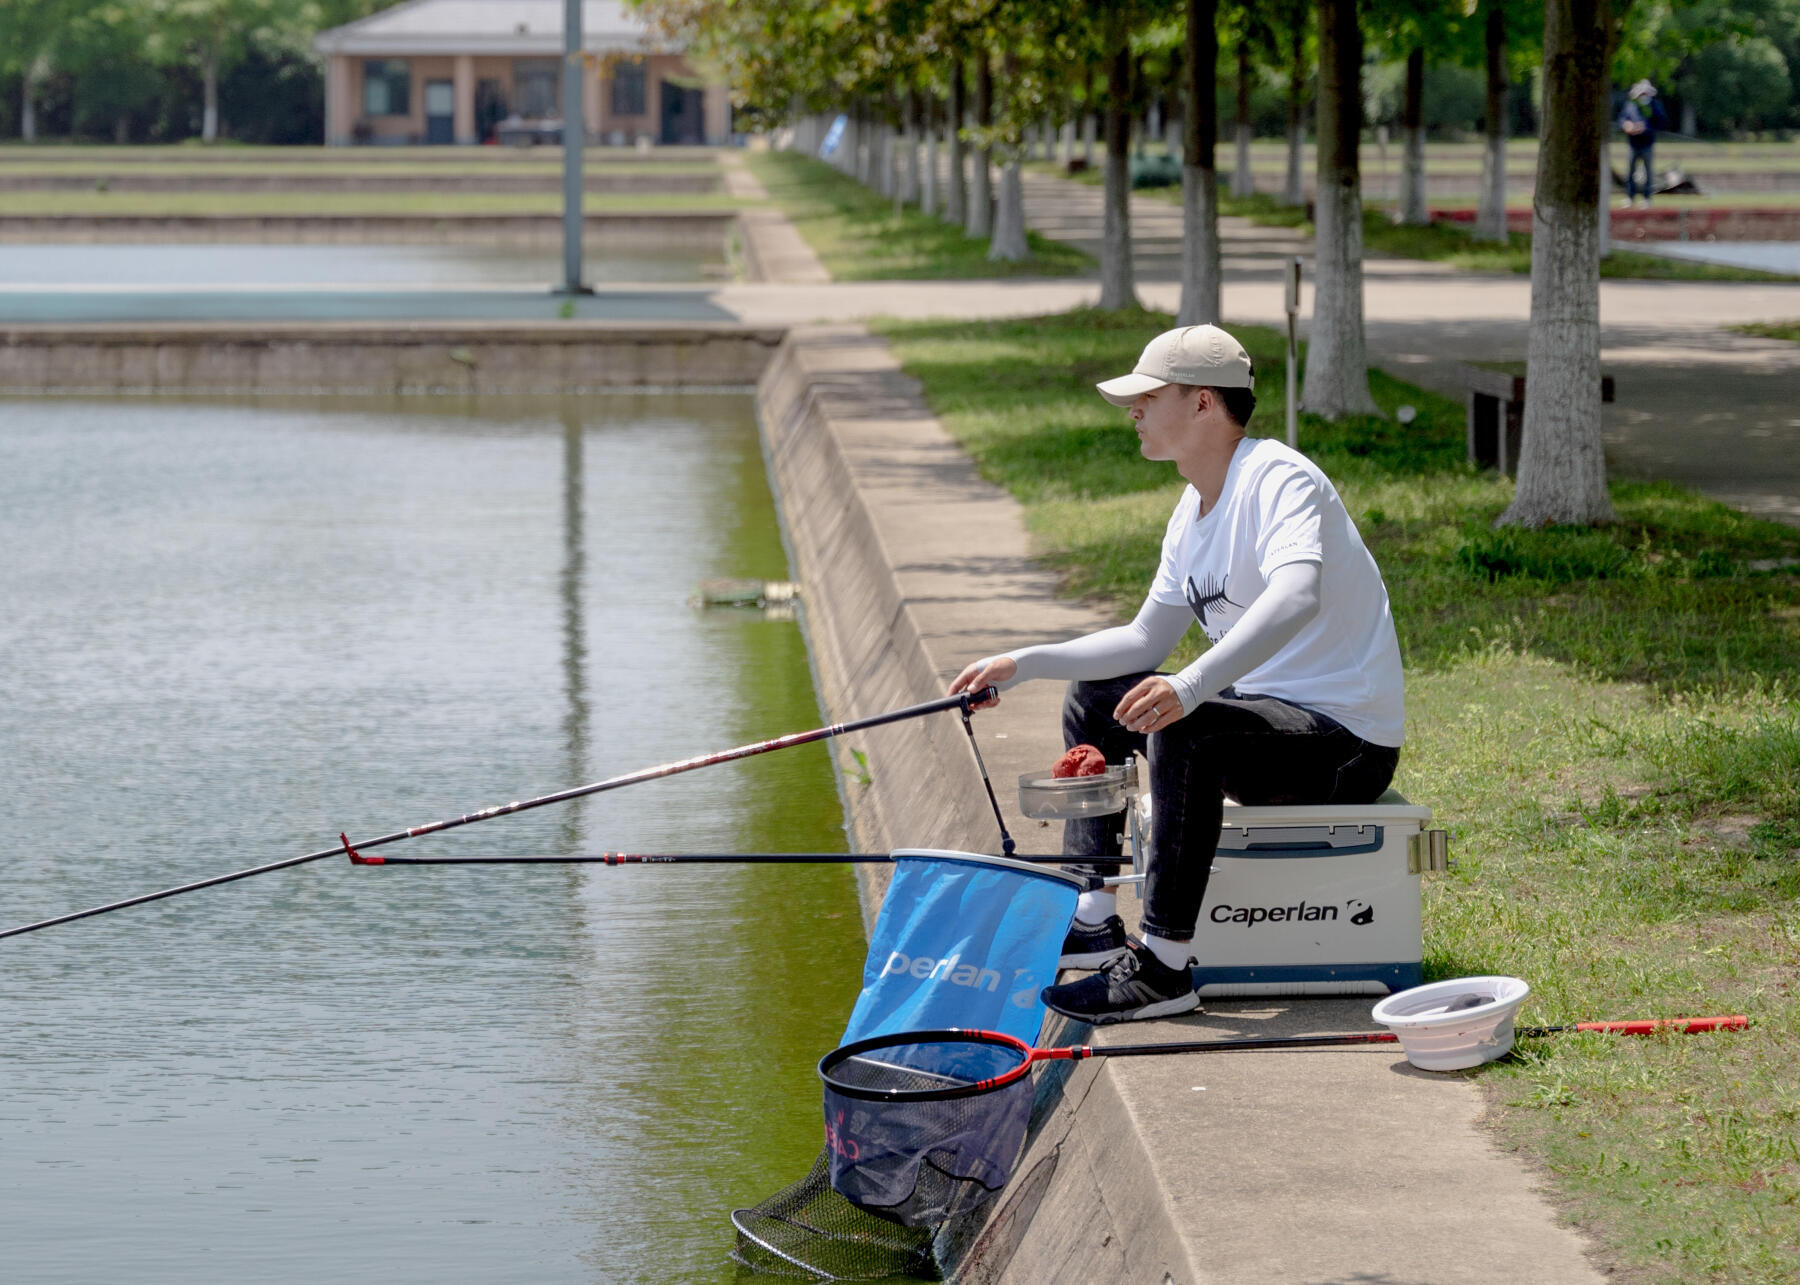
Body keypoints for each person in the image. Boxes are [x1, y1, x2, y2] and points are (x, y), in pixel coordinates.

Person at [947, 325, 1405, 1025]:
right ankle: (1094, 914)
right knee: (1101, 696)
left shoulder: (1277, 476)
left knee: (1187, 725)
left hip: (1344, 746)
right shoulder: (1188, 514)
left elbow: (1296, 594)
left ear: (1202, 403)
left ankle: (1164, 966)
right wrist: (1025, 662)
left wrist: (1189, 687)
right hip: (1263, 723)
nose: (1132, 410)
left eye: (1147, 397)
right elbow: (1142, 639)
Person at [1619, 80, 1668, 208]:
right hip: (1633, 144)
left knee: (1648, 172)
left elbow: (1661, 123)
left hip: (1647, 144)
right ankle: (1630, 198)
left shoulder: (1655, 106)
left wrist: (1645, 128)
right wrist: (1627, 126)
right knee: (1630, 172)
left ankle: (1647, 199)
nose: (1643, 95)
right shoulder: (1630, 105)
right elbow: (1622, 119)